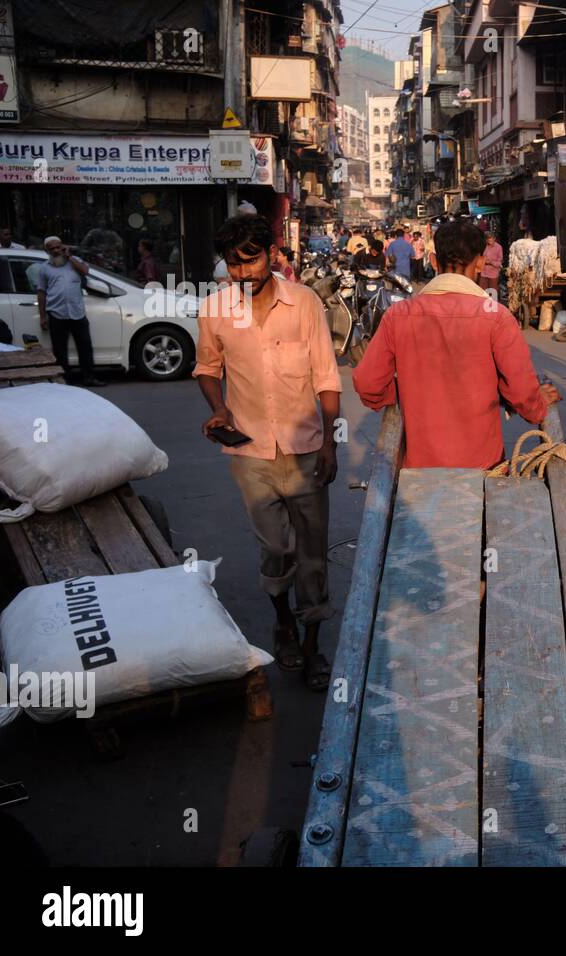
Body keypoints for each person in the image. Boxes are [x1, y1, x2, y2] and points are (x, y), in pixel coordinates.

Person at [192, 214, 342, 692]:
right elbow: (206, 367)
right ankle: (283, 620)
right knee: (276, 549)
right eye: (234, 265)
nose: (244, 273)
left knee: (313, 553)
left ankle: (314, 641)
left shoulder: (304, 304)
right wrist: (219, 409)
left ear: (272, 254)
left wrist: (331, 442)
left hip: (305, 449)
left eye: (251, 261)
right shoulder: (215, 310)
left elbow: (326, 376)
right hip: (250, 451)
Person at [351, 219, 560, 469]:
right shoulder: (497, 316)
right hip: (483, 469)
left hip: (418, 474)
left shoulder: (399, 315)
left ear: (433, 260)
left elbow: (368, 384)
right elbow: (523, 395)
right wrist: (538, 403)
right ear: (481, 262)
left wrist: (405, 391)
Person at [34, 236, 103, 387]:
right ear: (47, 251)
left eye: (58, 247)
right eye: (52, 249)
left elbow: (85, 271)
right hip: (57, 313)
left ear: (63, 246)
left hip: (77, 312)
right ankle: (65, 380)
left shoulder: (74, 261)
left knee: (85, 346)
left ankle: (89, 377)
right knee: (60, 350)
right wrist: (42, 316)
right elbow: (41, 292)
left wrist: (70, 256)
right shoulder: (45, 268)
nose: (56, 250)